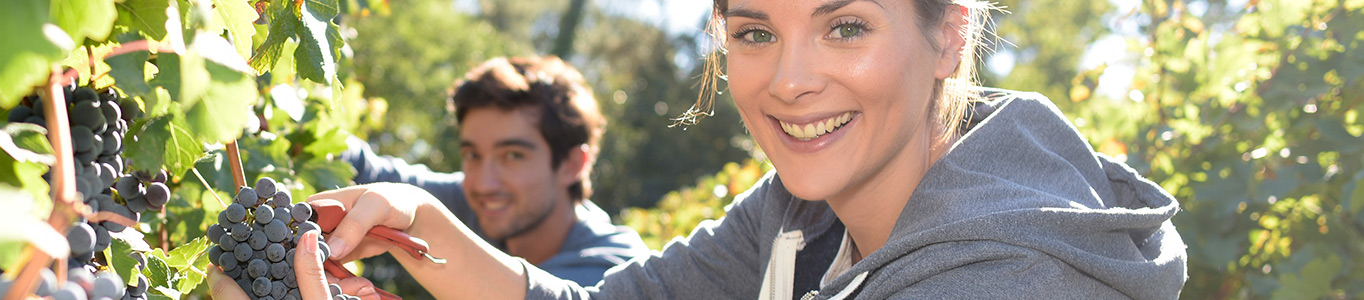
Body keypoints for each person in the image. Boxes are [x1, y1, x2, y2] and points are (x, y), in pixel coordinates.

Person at [258, 0, 1190, 299]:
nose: (788, 81)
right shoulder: (796, 214)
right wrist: (427, 226)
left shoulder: (1007, 277)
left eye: (844, 27)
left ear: (949, 34)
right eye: (753, 33)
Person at [336, 57, 650, 287]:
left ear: (572, 165)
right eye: (472, 154)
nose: (483, 182)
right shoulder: (473, 203)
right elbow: (365, 170)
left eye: (513, 155)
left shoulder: (615, 270)